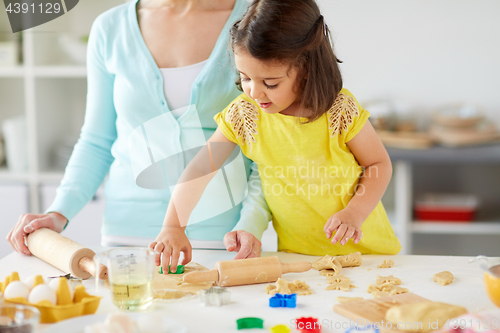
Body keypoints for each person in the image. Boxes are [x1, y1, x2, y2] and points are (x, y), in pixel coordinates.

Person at [6, 0, 272, 259]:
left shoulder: (254, 19)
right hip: (126, 238)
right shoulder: (110, 28)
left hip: (224, 238)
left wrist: (250, 222)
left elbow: (268, 147)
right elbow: (96, 142)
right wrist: (57, 212)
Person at [151, 0, 401, 273]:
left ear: (305, 69)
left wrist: (355, 213)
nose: (255, 93)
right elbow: (201, 167)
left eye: (270, 83)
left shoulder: (339, 110)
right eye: (245, 78)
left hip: (368, 256)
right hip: (300, 260)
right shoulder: (244, 116)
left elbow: (379, 164)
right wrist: (173, 226)